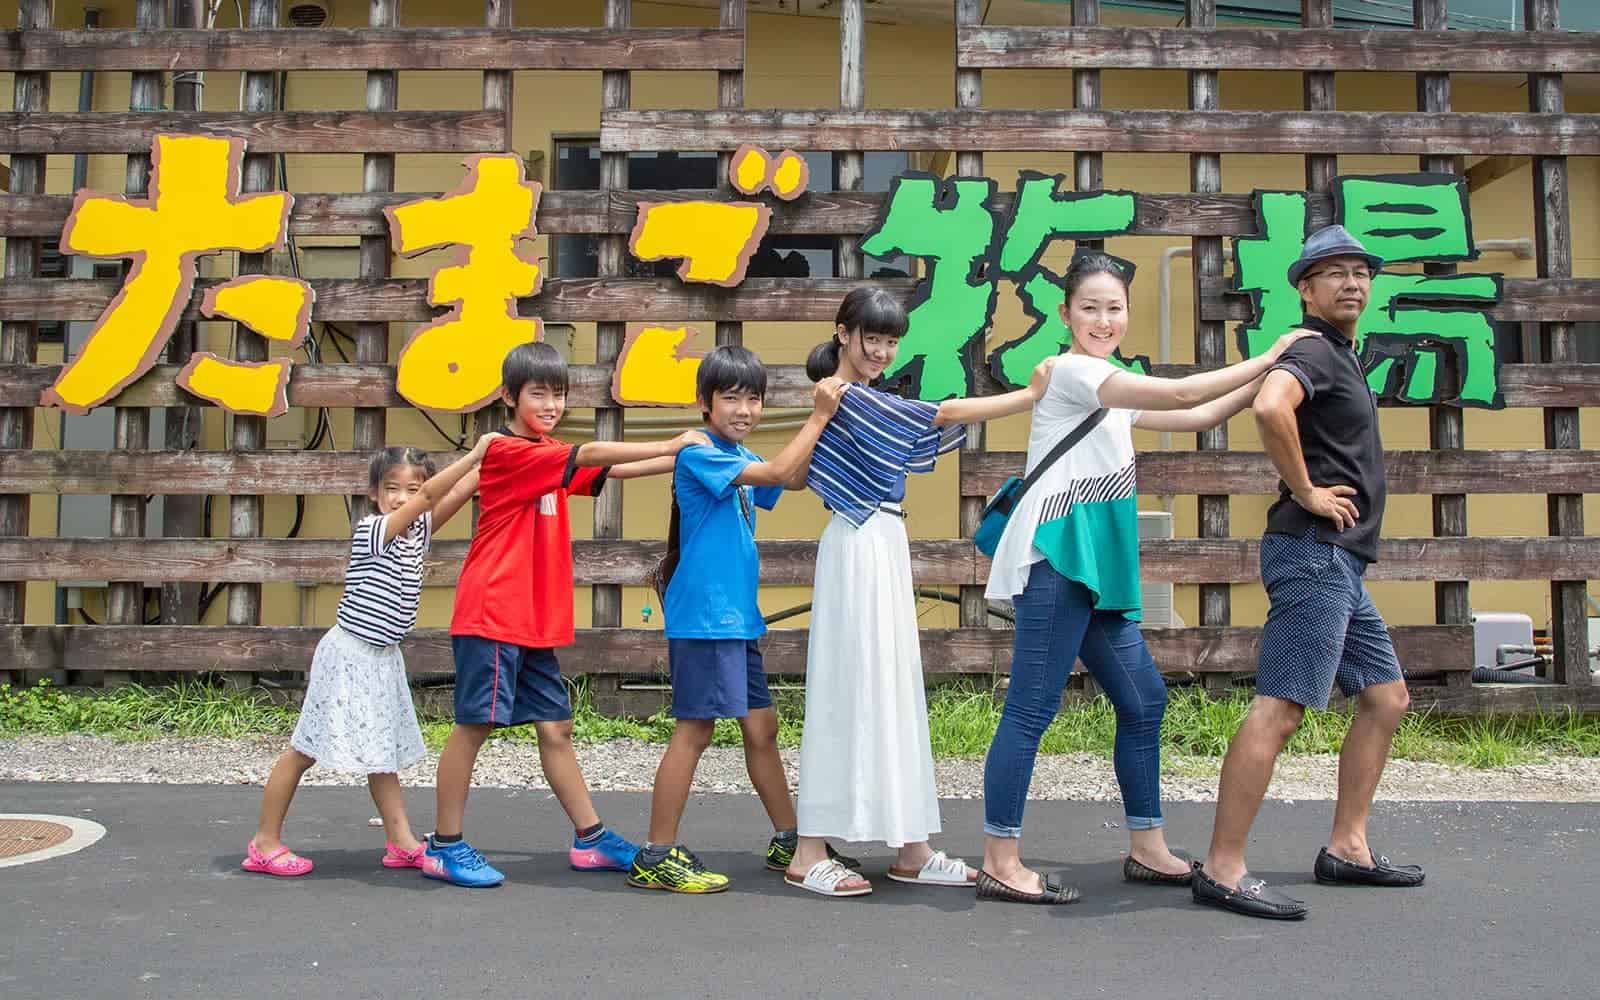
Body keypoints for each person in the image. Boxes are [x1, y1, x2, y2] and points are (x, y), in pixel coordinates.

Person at [977, 249, 1312, 904]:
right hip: (1060, 557)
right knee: (1031, 708)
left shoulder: (1109, 380)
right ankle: (1000, 857)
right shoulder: (1076, 374)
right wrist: (1272, 354)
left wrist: (1273, 378)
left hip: (1096, 566)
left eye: (1115, 308)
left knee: (1143, 699)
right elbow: (1184, 391)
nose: (1104, 319)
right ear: (1065, 312)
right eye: (1090, 307)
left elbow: (1198, 416)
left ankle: (1147, 844)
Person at [783, 286, 1051, 898]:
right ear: (844, 333)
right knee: (848, 685)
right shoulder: (849, 398)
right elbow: (941, 415)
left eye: (889, 340)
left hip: (881, 541)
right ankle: (808, 851)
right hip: (856, 543)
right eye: (870, 337)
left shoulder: (862, 397)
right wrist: (1029, 396)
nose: (880, 349)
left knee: (893, 687)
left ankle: (912, 848)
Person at [1193, 225, 1425, 921]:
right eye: (1336, 273)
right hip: (1314, 554)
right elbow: (1270, 406)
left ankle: (1347, 847)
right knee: (1283, 706)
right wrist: (1304, 490)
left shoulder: (1341, 355)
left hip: (1342, 562)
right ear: (1306, 288)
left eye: (1362, 271)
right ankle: (1224, 867)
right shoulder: (1315, 349)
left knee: (1386, 699)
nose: (1353, 283)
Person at [423, 342, 709, 888]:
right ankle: (444, 844)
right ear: (509, 396)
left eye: (558, 394)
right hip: (494, 613)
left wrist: (683, 457)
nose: (551, 404)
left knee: (556, 727)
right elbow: (595, 456)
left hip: (529, 622)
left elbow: (612, 473)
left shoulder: (547, 452)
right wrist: (673, 440)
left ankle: (591, 837)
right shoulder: (510, 451)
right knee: (474, 726)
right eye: (539, 394)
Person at [626, 346, 852, 893]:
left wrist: (835, 421)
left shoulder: (735, 450)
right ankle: (656, 852)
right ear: (704, 403)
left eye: (753, 397)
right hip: (706, 619)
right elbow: (777, 469)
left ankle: (790, 839)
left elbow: (789, 479)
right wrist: (819, 414)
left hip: (734, 620)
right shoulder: (703, 451)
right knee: (695, 730)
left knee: (761, 727)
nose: (744, 408)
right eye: (731, 397)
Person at [242, 440, 494, 877]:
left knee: (382, 755)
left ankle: (400, 842)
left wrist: (491, 461)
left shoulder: (418, 530)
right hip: (348, 656)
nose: (402, 496)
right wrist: (473, 455)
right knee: (304, 749)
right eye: (392, 488)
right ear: (375, 494)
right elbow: (434, 495)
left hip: (382, 657)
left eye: (411, 487)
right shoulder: (374, 529)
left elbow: (455, 494)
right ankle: (264, 842)